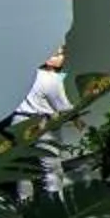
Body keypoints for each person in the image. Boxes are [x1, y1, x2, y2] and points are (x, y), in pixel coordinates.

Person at [13, 44, 75, 197]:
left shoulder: (25, 74)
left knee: (22, 166)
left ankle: (24, 200)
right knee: (51, 166)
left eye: (62, 53)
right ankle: (54, 201)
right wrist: (77, 117)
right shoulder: (51, 78)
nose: (61, 57)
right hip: (41, 123)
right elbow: (63, 106)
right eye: (56, 54)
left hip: (18, 121)